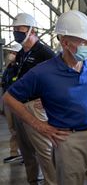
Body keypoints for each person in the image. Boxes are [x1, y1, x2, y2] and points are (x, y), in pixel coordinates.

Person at [3, 10, 87, 185]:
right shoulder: (43, 72)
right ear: (65, 42)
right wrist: (39, 125)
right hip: (67, 140)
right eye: (83, 41)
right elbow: (9, 98)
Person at [8, 13, 57, 185]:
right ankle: (33, 180)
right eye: (14, 29)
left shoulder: (44, 53)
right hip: (19, 105)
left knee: (44, 150)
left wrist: (48, 98)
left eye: (19, 29)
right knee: (26, 150)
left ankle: (52, 182)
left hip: (35, 107)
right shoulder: (22, 53)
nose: (16, 32)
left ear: (31, 30)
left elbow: (59, 77)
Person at [2, 43, 23, 163]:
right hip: (8, 100)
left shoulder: (20, 67)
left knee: (22, 129)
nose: (11, 55)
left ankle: (27, 154)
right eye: (11, 53)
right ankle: (15, 152)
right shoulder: (9, 67)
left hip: (18, 101)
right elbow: (4, 81)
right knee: (12, 129)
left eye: (14, 53)